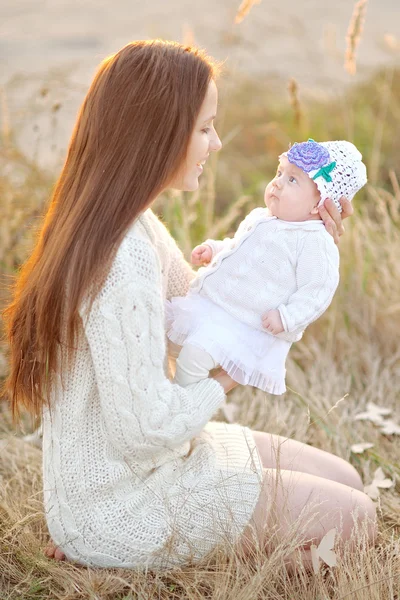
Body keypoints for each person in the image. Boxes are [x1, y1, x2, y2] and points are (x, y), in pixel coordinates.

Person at [2, 40, 376, 572]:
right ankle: (112, 551)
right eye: (205, 128)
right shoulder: (120, 256)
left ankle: (141, 542)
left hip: (150, 464)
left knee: (349, 482)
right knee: (355, 518)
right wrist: (228, 377)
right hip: (123, 498)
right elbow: (144, 429)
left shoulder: (127, 222)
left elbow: (202, 302)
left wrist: (301, 249)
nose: (217, 143)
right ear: (158, 135)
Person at [166, 139, 367, 394]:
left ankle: (179, 404)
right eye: (279, 172)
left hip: (243, 323)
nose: (277, 182)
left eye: (293, 180)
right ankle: (161, 394)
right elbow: (240, 249)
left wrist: (286, 317)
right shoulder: (262, 217)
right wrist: (215, 249)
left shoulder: (314, 242)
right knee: (168, 339)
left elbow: (318, 289)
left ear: (321, 203)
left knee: (193, 358)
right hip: (215, 306)